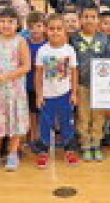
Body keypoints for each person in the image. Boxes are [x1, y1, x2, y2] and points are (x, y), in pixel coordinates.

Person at [0, 7, 31, 171]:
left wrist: (7, 76)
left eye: (10, 21)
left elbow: (26, 66)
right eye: (2, 21)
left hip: (14, 90)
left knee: (15, 123)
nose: (6, 25)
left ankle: (12, 154)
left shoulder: (20, 41)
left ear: (17, 24)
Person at [35, 14, 80, 168]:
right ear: (46, 30)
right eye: (51, 29)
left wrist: (74, 93)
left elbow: (74, 73)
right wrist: (39, 94)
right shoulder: (42, 51)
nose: (55, 32)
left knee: (66, 122)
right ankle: (43, 151)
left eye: (59, 29)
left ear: (65, 31)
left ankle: (69, 149)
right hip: (47, 95)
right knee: (45, 123)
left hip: (65, 94)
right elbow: (39, 74)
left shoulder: (70, 50)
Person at [70, 5, 110, 161]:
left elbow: (109, 62)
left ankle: (96, 143)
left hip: (100, 86)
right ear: (80, 19)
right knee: (83, 115)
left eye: (92, 17)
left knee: (99, 116)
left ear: (98, 20)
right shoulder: (73, 38)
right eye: (86, 17)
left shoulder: (104, 38)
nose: (89, 20)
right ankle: (85, 144)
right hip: (81, 84)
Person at [23, 12, 47, 153]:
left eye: (39, 26)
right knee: (31, 113)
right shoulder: (24, 44)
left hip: (44, 86)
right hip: (28, 84)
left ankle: (41, 138)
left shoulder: (48, 44)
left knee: (42, 113)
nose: (36, 30)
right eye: (32, 27)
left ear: (44, 27)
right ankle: (32, 138)